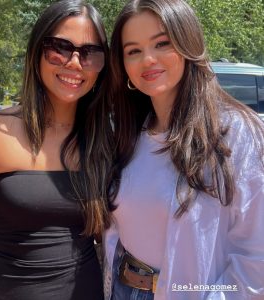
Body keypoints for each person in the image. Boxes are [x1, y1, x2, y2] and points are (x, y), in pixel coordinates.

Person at [103, 0, 264, 299]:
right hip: (124, 289)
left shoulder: (237, 131)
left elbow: (257, 257)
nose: (148, 59)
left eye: (162, 43)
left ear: (188, 43)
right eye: (133, 51)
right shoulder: (129, 133)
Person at [0, 1, 113, 299]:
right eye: (59, 47)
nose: (74, 63)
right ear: (36, 54)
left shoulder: (105, 138)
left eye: (90, 54)